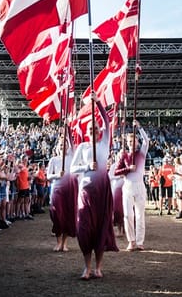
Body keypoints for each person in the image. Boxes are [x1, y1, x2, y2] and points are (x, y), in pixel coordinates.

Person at [70, 97, 118, 280]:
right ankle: (86, 268)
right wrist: (87, 167)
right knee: (84, 228)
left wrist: (97, 102)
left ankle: (98, 268)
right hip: (86, 192)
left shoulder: (105, 143)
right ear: (87, 131)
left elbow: (106, 120)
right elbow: (73, 169)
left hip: (103, 191)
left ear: (99, 131)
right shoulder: (82, 147)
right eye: (91, 129)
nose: (94, 130)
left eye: (96, 128)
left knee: (101, 227)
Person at [114, 120, 150, 251]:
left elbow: (147, 141)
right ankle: (131, 241)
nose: (131, 143)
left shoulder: (141, 153)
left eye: (134, 141)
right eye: (129, 142)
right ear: (127, 143)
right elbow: (116, 172)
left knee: (140, 215)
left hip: (140, 185)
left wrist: (139, 128)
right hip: (128, 186)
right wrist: (128, 169)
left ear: (137, 142)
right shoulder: (124, 156)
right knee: (128, 215)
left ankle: (140, 241)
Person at [46, 135, 76, 252]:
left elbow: (74, 144)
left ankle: (64, 243)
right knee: (57, 216)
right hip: (57, 189)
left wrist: (67, 129)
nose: (63, 146)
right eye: (61, 145)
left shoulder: (71, 158)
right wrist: (57, 175)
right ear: (57, 147)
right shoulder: (54, 160)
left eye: (65, 144)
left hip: (69, 189)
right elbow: (48, 176)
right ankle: (58, 242)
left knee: (67, 216)